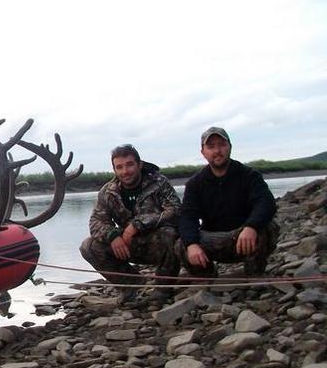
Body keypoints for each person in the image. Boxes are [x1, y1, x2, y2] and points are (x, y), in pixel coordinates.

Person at [80, 144, 182, 303]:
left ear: (139, 164)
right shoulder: (108, 191)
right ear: (114, 169)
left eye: (129, 165)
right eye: (119, 167)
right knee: (88, 246)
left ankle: (164, 288)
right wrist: (112, 235)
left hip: (160, 244)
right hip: (128, 246)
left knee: (170, 234)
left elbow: (175, 211)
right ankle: (130, 285)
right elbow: (96, 221)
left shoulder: (159, 182)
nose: (125, 171)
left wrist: (138, 224)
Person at [177, 126, 278, 277]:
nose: (217, 151)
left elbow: (266, 203)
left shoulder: (250, 175)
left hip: (244, 237)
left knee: (267, 227)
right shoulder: (195, 183)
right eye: (211, 147)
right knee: (181, 243)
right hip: (213, 240)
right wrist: (192, 244)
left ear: (230, 147)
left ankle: (254, 274)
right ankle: (207, 276)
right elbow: (187, 217)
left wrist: (251, 227)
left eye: (222, 145)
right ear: (203, 152)